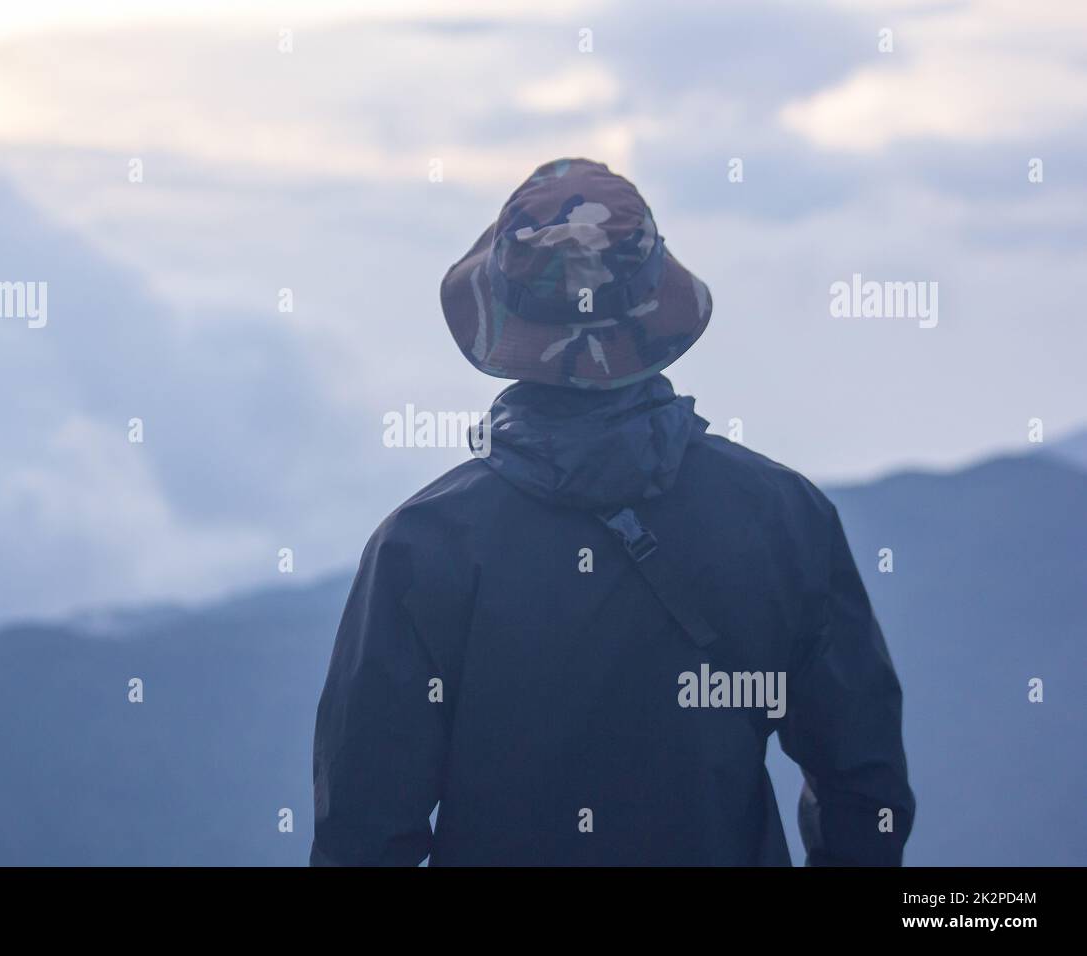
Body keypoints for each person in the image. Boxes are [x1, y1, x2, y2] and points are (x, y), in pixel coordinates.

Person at [311, 158, 914, 866]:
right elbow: (864, 787)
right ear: (658, 309)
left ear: (501, 319)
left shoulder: (423, 545)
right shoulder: (783, 516)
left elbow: (363, 831)